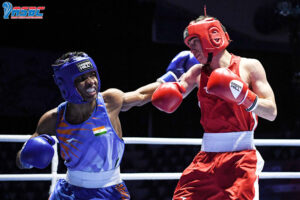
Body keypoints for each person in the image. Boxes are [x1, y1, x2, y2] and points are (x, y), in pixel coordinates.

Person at [152, 15, 277, 200]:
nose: (191, 49)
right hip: (206, 159)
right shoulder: (195, 73)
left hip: (241, 159)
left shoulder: (250, 66)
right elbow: (168, 95)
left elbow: (272, 112)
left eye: (195, 42)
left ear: (213, 37)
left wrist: (244, 96)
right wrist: (164, 89)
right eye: (189, 44)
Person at [16, 51, 164, 200]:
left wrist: (174, 79)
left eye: (92, 74)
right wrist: (26, 158)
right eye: (82, 78)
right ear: (66, 84)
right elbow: (21, 160)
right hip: (68, 192)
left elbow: (141, 95)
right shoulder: (53, 118)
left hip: (109, 190)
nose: (91, 81)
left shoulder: (109, 102)